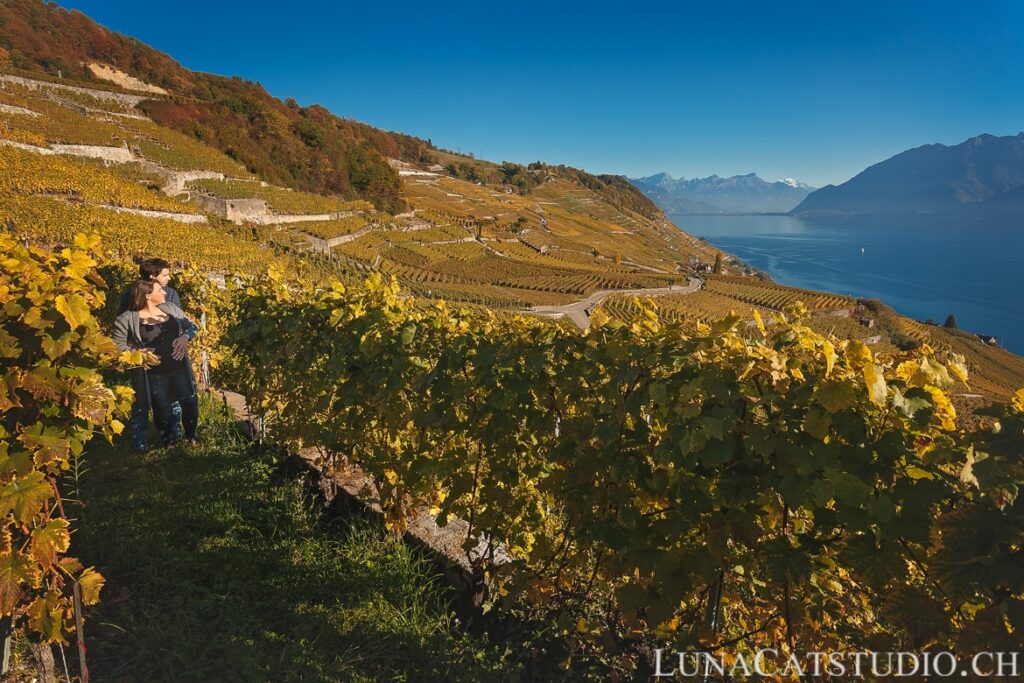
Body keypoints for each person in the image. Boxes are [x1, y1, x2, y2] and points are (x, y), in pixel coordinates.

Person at [113, 280, 201, 448]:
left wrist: (185, 338)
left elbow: (192, 326)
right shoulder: (127, 319)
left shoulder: (171, 309)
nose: (165, 293)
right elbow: (117, 346)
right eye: (160, 291)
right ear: (147, 296)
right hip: (152, 374)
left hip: (180, 367)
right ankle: (168, 441)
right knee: (162, 410)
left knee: (191, 403)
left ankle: (190, 436)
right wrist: (138, 353)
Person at [118, 258, 183, 451]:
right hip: (142, 357)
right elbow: (124, 326)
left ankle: (173, 436)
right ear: (151, 277)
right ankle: (140, 442)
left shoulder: (171, 294)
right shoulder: (130, 296)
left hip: (167, 355)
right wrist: (136, 350)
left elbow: (178, 321)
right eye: (165, 275)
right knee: (141, 400)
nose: (168, 279)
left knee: (171, 397)